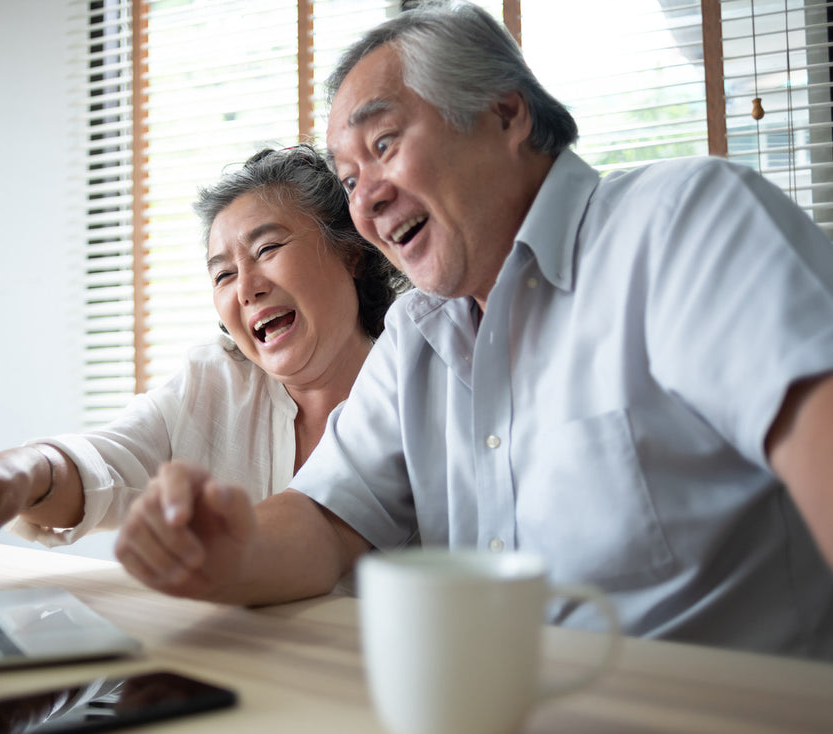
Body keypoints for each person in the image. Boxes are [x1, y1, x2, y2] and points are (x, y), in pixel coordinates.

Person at [113, 1, 833, 660]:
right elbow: (325, 521)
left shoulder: (681, 223)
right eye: (349, 177)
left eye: (385, 143)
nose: (366, 201)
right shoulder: (414, 335)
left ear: (506, 113)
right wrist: (226, 551)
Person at [0, 144, 404, 555]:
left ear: (353, 253)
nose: (246, 287)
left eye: (267, 249)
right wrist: (19, 473)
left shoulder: (418, 381)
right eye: (222, 274)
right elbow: (108, 461)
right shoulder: (213, 382)